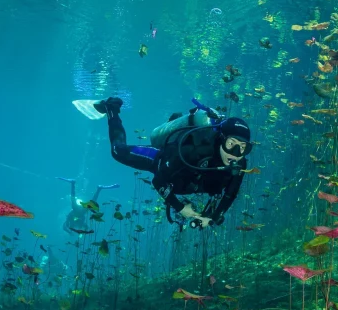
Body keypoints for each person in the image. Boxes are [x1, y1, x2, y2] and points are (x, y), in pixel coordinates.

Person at [93, 97, 251, 228]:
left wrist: (213, 217)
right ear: (221, 139)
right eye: (231, 144)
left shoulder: (239, 164)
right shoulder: (193, 152)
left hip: (184, 181)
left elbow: (230, 195)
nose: (235, 154)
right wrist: (181, 208)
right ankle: (111, 108)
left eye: (243, 148)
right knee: (117, 151)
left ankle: (175, 118)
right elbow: (158, 180)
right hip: (162, 159)